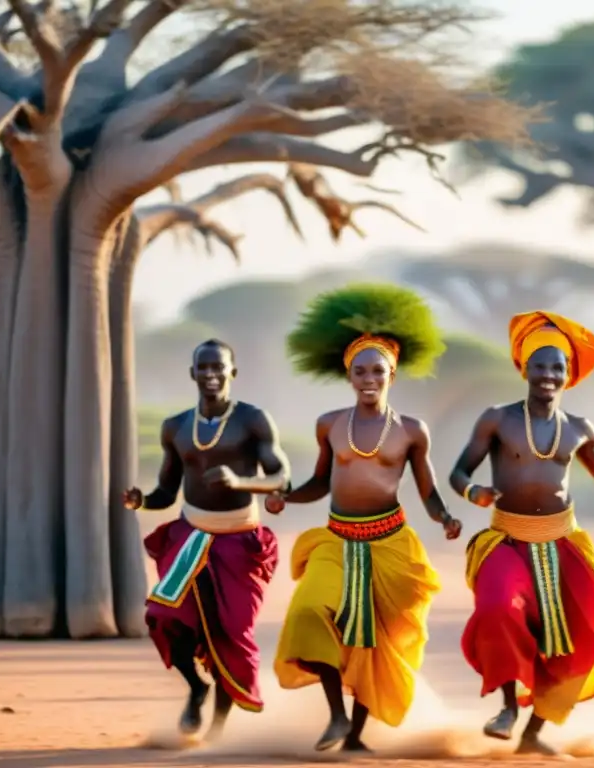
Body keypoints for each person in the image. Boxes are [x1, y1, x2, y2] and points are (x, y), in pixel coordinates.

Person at [449, 310, 594, 756]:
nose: (549, 375)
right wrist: (474, 491)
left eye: (558, 368)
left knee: (587, 637)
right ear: (523, 368)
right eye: (540, 365)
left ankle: (533, 734)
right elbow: (458, 472)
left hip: (563, 543)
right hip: (507, 541)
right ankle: (508, 707)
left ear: (569, 375)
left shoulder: (579, 429)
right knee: (497, 608)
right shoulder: (497, 419)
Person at [264, 283, 461, 753]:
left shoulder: (412, 430)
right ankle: (334, 715)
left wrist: (445, 516)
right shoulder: (330, 423)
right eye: (360, 371)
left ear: (392, 373)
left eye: (378, 370)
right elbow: (319, 482)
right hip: (336, 539)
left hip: (389, 544)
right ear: (348, 376)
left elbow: (427, 489)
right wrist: (284, 498)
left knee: (374, 641)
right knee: (311, 611)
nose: (368, 378)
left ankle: (354, 735)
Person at [123, 339, 289, 741]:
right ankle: (197, 687)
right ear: (192, 373)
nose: (211, 374)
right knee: (164, 616)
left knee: (229, 634)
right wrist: (142, 500)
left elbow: (280, 476)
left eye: (219, 367)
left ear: (233, 372)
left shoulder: (253, 420)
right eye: (204, 367)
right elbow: (167, 490)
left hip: (239, 541)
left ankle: (216, 730)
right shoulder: (176, 427)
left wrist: (241, 482)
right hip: (191, 537)